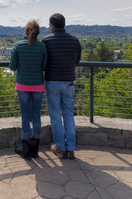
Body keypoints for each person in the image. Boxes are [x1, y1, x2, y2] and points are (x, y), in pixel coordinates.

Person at [41, 13, 81, 160]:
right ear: (64, 24)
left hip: (52, 82)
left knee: (55, 116)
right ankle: (70, 149)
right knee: (69, 114)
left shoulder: (46, 40)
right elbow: (76, 61)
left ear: (52, 25)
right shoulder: (75, 41)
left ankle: (60, 147)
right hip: (69, 82)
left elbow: (43, 61)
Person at [9, 20, 47, 159]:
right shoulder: (42, 47)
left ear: (26, 31)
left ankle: (25, 150)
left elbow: (12, 66)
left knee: (25, 115)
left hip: (23, 85)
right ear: (37, 33)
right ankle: (35, 149)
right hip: (38, 85)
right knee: (36, 115)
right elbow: (44, 66)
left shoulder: (18, 45)